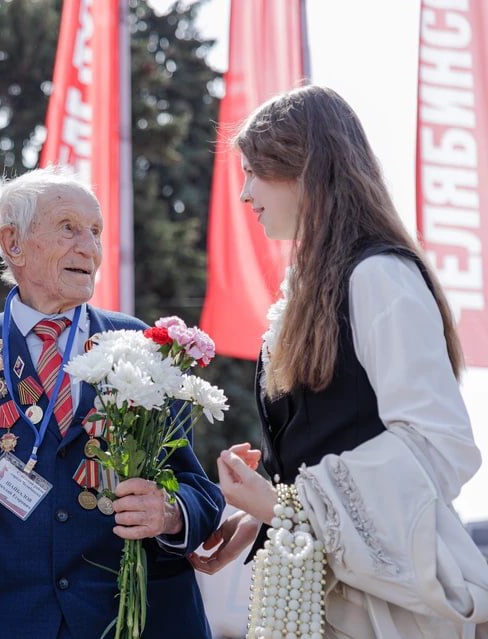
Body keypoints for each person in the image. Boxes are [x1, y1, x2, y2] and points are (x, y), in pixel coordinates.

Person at [189, 85, 488, 637]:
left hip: (384, 612)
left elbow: (441, 445)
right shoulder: (312, 292)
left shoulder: (379, 276)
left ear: (305, 170)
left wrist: (287, 504)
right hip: (321, 593)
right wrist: (257, 514)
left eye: (256, 170)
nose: (245, 194)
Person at [0, 166, 224, 639]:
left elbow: (198, 488)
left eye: (96, 232)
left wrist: (170, 512)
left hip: (135, 622)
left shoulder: (140, 344)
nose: (89, 248)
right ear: (14, 243)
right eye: (68, 228)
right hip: (1, 622)